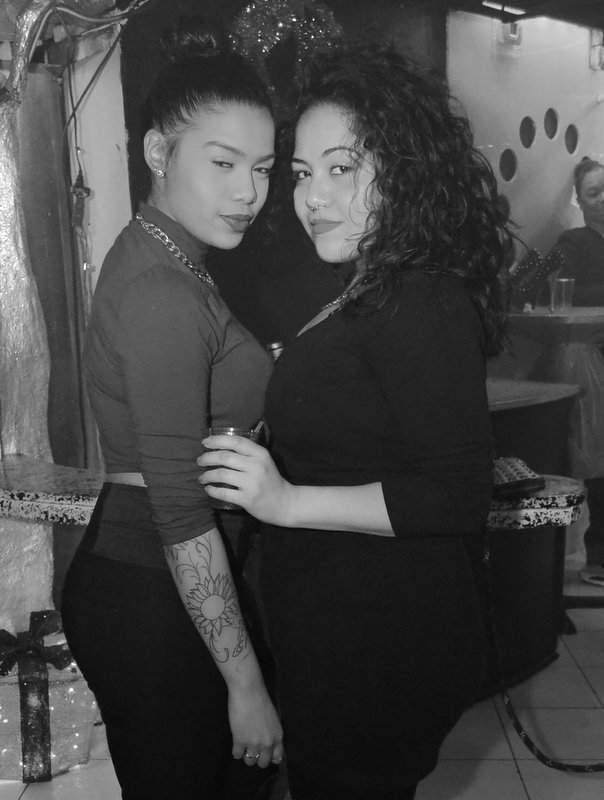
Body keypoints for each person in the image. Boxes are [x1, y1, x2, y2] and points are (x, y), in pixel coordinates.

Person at [199, 41, 511, 800]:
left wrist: (286, 501)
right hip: (348, 629)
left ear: (405, 170)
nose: (312, 197)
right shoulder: (373, 287)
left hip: (383, 642)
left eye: (342, 168)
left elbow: (455, 494)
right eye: (303, 174)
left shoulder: (420, 298)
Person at [60, 22, 283, 800]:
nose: (248, 191)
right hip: (154, 590)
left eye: (262, 168)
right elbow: (181, 512)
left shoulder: (171, 259)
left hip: (160, 585)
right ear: (159, 152)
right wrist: (245, 686)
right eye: (222, 163)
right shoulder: (163, 288)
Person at [548, 157, 604, 578]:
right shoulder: (574, 241)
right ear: (580, 202)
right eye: (593, 192)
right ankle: (597, 555)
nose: (603, 199)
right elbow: (556, 290)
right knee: (596, 459)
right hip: (593, 359)